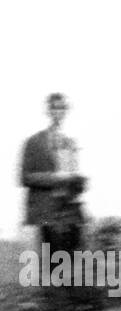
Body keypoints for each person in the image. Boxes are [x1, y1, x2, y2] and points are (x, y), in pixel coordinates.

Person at [19, 93, 87, 254]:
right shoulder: (34, 142)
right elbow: (25, 177)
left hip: (69, 210)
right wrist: (54, 178)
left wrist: (78, 182)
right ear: (48, 110)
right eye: (55, 108)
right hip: (46, 212)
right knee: (54, 263)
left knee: (71, 260)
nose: (59, 112)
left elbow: (72, 179)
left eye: (63, 108)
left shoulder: (70, 143)